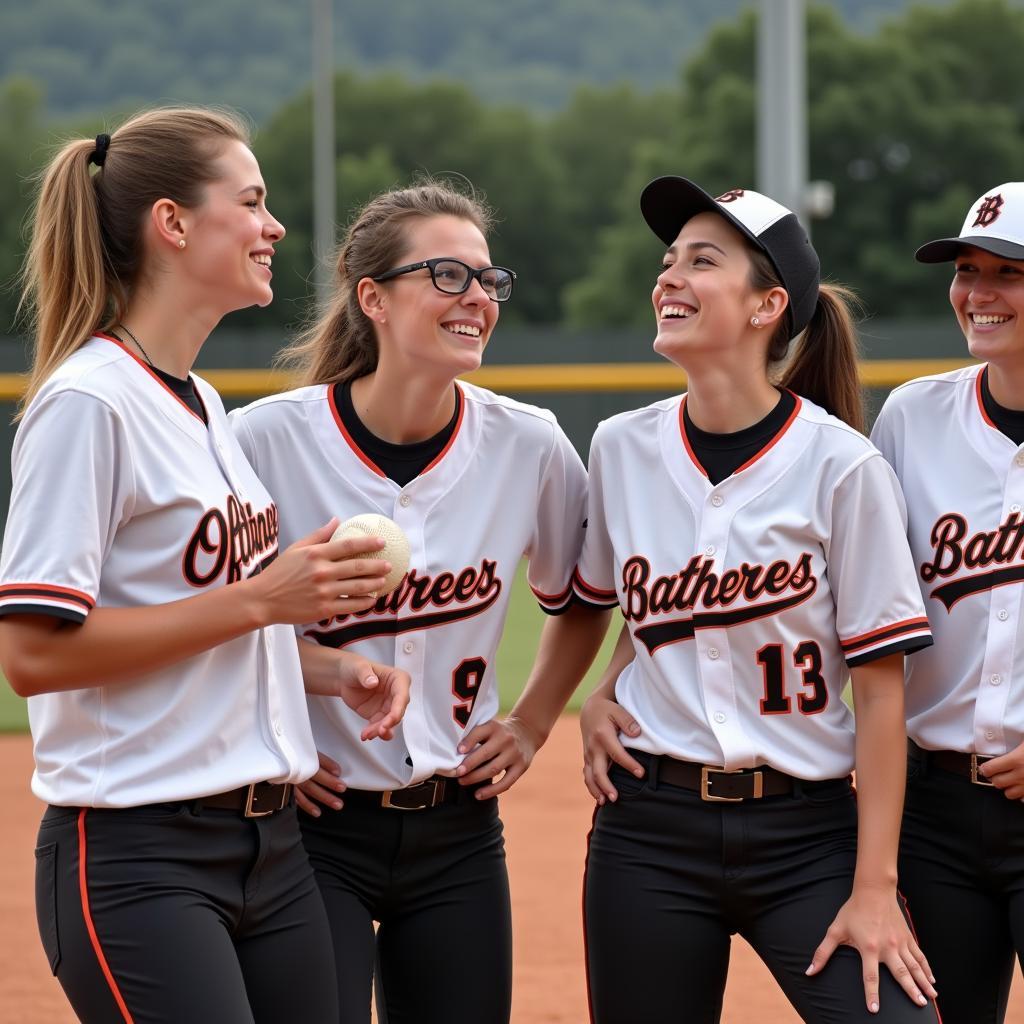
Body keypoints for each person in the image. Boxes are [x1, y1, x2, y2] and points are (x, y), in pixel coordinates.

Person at [0, 107, 411, 1024]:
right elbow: (33, 656)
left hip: (271, 848)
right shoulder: (88, 403)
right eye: (253, 201)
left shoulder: (202, 404)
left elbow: (200, 620)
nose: (274, 228)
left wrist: (325, 668)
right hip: (138, 853)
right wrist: (263, 599)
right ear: (173, 223)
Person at [229, 180, 612, 1024]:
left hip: (458, 833)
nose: (478, 297)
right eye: (446, 275)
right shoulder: (264, 441)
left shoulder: (528, 444)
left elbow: (585, 596)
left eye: (488, 279)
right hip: (311, 832)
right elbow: (218, 631)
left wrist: (535, 720)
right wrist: (268, 745)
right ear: (373, 297)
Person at [574, 177, 940, 1022]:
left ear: (768, 304)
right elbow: (638, 612)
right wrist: (604, 688)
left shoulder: (842, 465)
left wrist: (876, 889)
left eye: (703, 261)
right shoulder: (620, 447)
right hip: (649, 830)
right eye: (667, 260)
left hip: (806, 836)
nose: (669, 276)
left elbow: (883, 692)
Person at [871, 182, 1024, 1024]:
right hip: (933, 814)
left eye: (1008, 272)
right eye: (968, 270)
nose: (979, 293)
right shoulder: (912, 417)